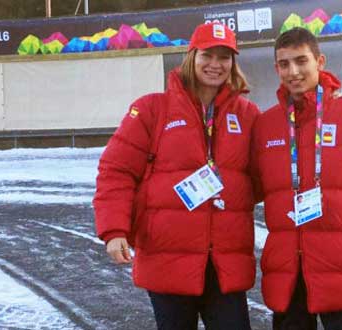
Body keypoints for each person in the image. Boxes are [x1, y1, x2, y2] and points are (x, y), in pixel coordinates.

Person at [93, 22, 259, 330]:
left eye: (224, 57)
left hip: (225, 263)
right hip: (167, 258)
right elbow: (116, 171)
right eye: (208, 55)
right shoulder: (151, 110)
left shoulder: (248, 116)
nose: (215, 65)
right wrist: (114, 229)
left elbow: (265, 177)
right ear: (191, 56)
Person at [250, 27, 342, 330]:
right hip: (288, 270)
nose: (293, 72)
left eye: (301, 61)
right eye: (284, 64)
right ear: (276, 68)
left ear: (320, 61)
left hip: (341, 265)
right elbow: (247, 185)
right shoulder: (266, 125)